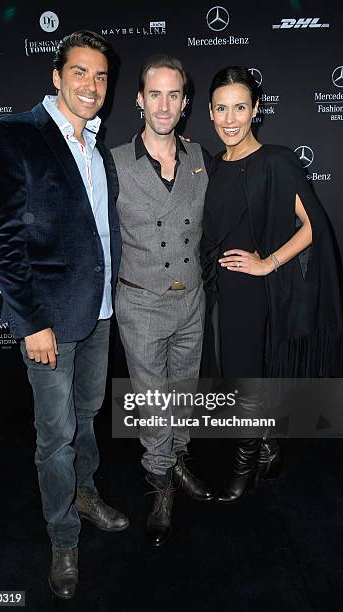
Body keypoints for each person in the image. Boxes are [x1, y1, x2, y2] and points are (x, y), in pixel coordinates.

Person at [0, 31, 129, 600]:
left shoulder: (96, 145)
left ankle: (85, 495)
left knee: (88, 415)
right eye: (80, 73)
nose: (91, 85)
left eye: (100, 76)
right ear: (56, 75)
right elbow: (5, 239)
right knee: (54, 436)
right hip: (47, 319)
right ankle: (62, 537)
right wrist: (30, 321)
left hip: (100, 311)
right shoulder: (15, 135)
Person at [200, 66, 343, 503]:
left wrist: (269, 263)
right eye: (221, 108)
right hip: (214, 290)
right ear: (208, 112)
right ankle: (268, 445)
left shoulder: (276, 160)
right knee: (226, 375)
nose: (230, 118)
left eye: (239, 107)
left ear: (256, 110)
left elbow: (312, 225)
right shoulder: (209, 164)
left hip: (250, 293)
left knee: (243, 378)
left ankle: (247, 462)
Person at [111, 54, 213, 548]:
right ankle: (160, 484)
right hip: (142, 303)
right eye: (155, 94)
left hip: (191, 299)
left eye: (174, 94)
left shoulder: (198, 158)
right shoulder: (113, 163)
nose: (164, 104)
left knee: (183, 392)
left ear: (186, 102)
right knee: (154, 403)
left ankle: (179, 460)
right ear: (138, 100)